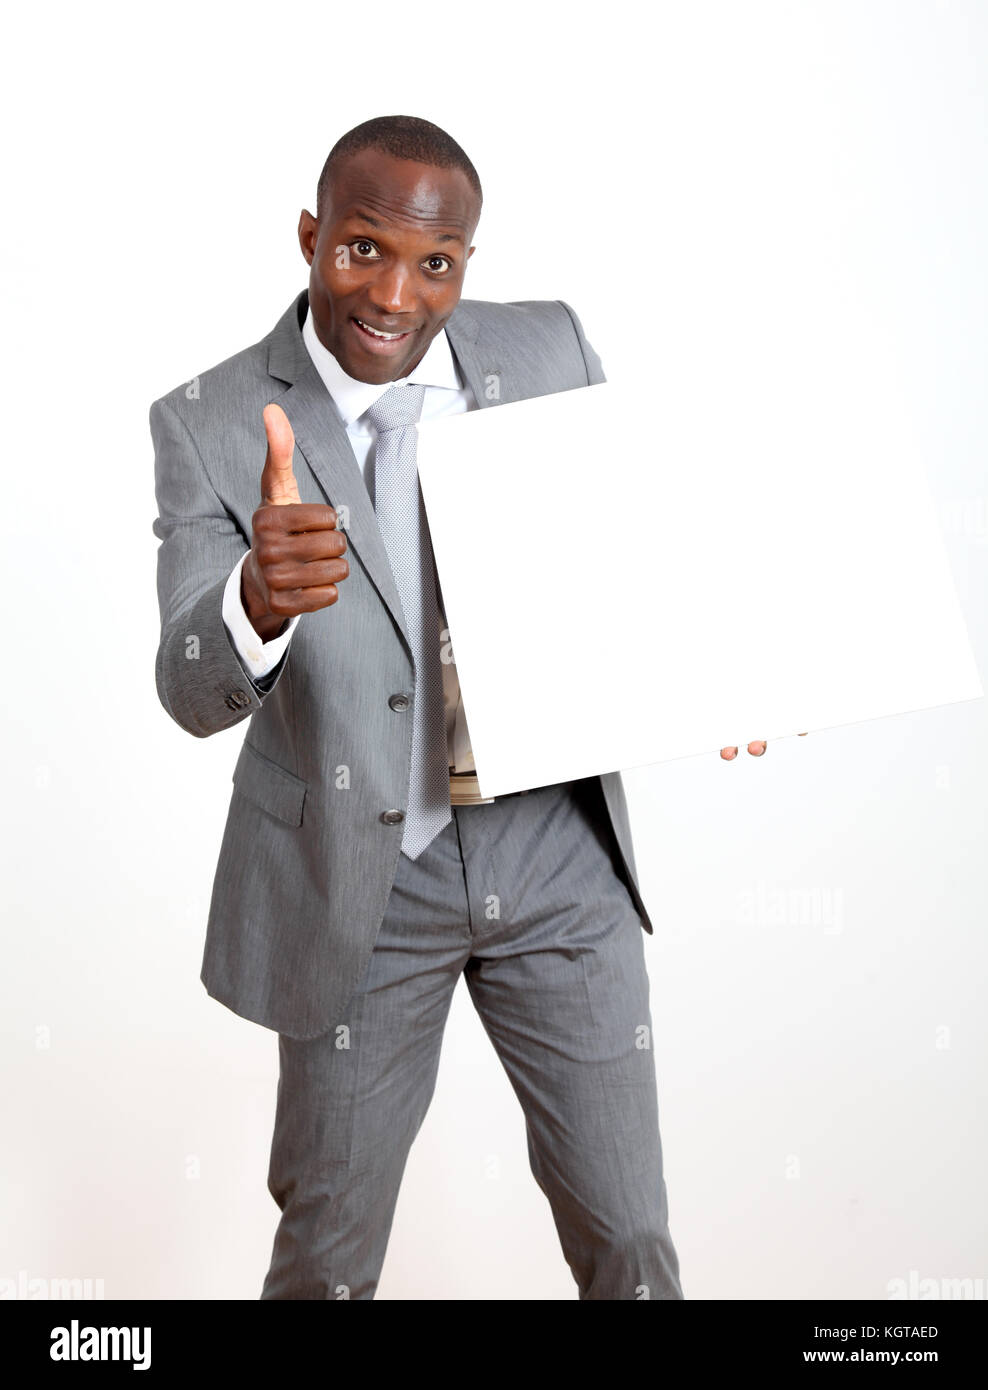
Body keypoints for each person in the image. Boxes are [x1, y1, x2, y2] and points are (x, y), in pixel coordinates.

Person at [150, 114, 768, 1301]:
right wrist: (252, 603)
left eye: (434, 262)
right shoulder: (211, 419)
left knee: (633, 1242)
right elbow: (185, 684)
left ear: (465, 263)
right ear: (308, 238)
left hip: (555, 857)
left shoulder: (548, 349)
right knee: (328, 1256)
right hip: (359, 884)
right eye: (361, 250)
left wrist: (720, 672)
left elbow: (631, 559)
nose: (394, 292)